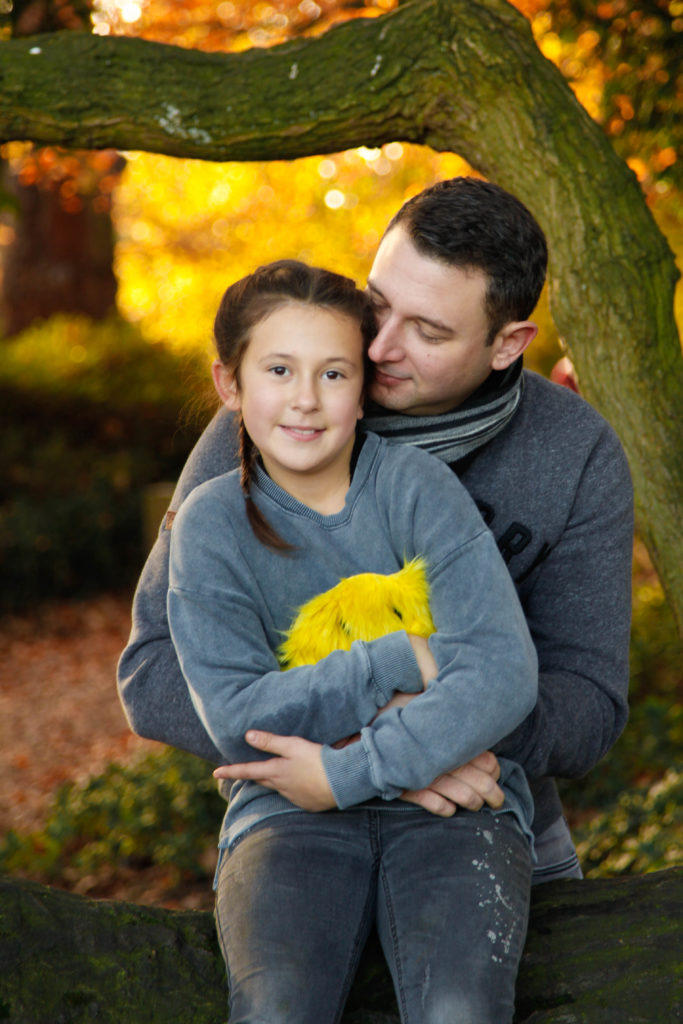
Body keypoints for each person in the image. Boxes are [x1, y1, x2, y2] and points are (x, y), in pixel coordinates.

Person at [117, 176, 634, 885]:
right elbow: (151, 671)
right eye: (377, 305)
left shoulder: (575, 452)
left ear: (507, 344)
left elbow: (589, 701)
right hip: (296, 824)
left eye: (428, 331)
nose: (380, 347)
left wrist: (410, 749)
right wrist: (374, 756)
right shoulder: (276, 417)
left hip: (488, 811)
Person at [167, 258, 538, 1022]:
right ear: (229, 385)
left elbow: (500, 669)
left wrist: (348, 770)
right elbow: (238, 716)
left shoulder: (415, 489)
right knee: (279, 1009)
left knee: (460, 1009)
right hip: (283, 813)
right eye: (278, 369)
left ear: (363, 392)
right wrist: (405, 660)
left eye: (334, 374)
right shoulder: (210, 524)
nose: (305, 399)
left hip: (454, 811)